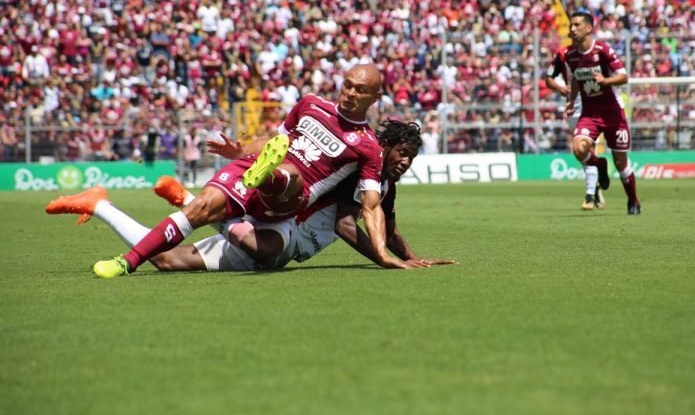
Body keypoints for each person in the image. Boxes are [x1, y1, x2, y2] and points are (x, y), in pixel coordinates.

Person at [47, 64, 407, 276]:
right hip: (256, 169)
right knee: (176, 247)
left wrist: (383, 255)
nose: (348, 93)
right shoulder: (310, 104)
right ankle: (121, 252)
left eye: (359, 90)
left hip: (288, 203)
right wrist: (242, 150)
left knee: (289, 183)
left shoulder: (367, 146)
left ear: (374, 98)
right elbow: (273, 140)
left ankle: (264, 176)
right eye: (346, 85)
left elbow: (371, 206)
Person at [45, 121, 454, 272]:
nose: (406, 162)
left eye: (412, 158)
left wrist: (409, 255)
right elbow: (349, 224)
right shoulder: (357, 174)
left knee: (166, 260)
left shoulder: (385, 184)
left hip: (277, 230)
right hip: (281, 228)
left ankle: (101, 203)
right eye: (403, 154)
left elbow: (389, 225)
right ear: (386, 148)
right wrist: (386, 260)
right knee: (261, 249)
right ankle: (199, 206)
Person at [563, 10, 641, 215]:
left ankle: (633, 201)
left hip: (613, 113)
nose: (572, 29)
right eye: (571, 26)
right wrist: (571, 101)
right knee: (579, 149)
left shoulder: (603, 51)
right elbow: (573, 79)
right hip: (590, 114)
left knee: (621, 164)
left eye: (576, 25)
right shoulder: (570, 56)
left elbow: (624, 77)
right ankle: (599, 164)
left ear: (589, 28)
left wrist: (606, 81)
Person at [543, 47, 604, 211]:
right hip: (574, 109)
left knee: (588, 147)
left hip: (593, 106)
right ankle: (595, 183)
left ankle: (590, 195)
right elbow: (548, 79)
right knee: (581, 151)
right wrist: (560, 88)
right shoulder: (563, 54)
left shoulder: (598, 50)